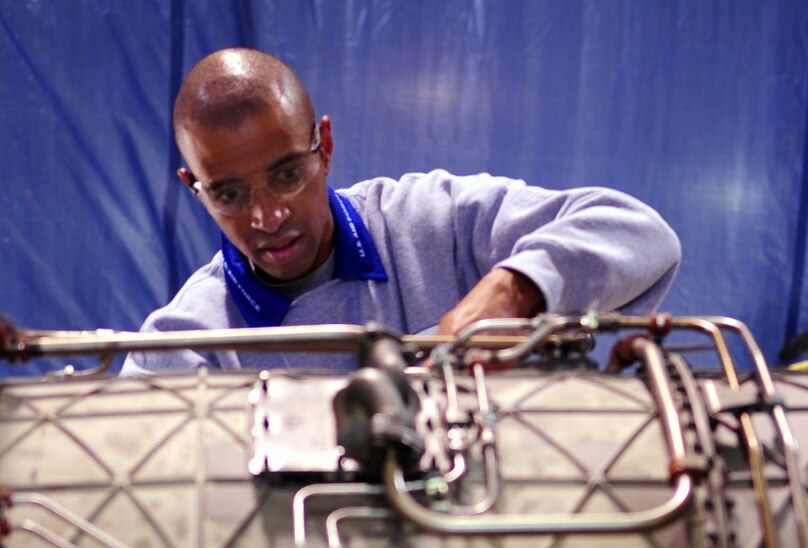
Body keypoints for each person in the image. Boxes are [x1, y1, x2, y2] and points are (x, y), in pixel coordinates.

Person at [120, 48, 680, 377]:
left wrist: (517, 289)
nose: (267, 217)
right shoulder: (180, 349)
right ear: (194, 188)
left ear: (326, 147)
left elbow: (640, 233)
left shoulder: (434, 222)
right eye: (230, 194)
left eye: (288, 174)